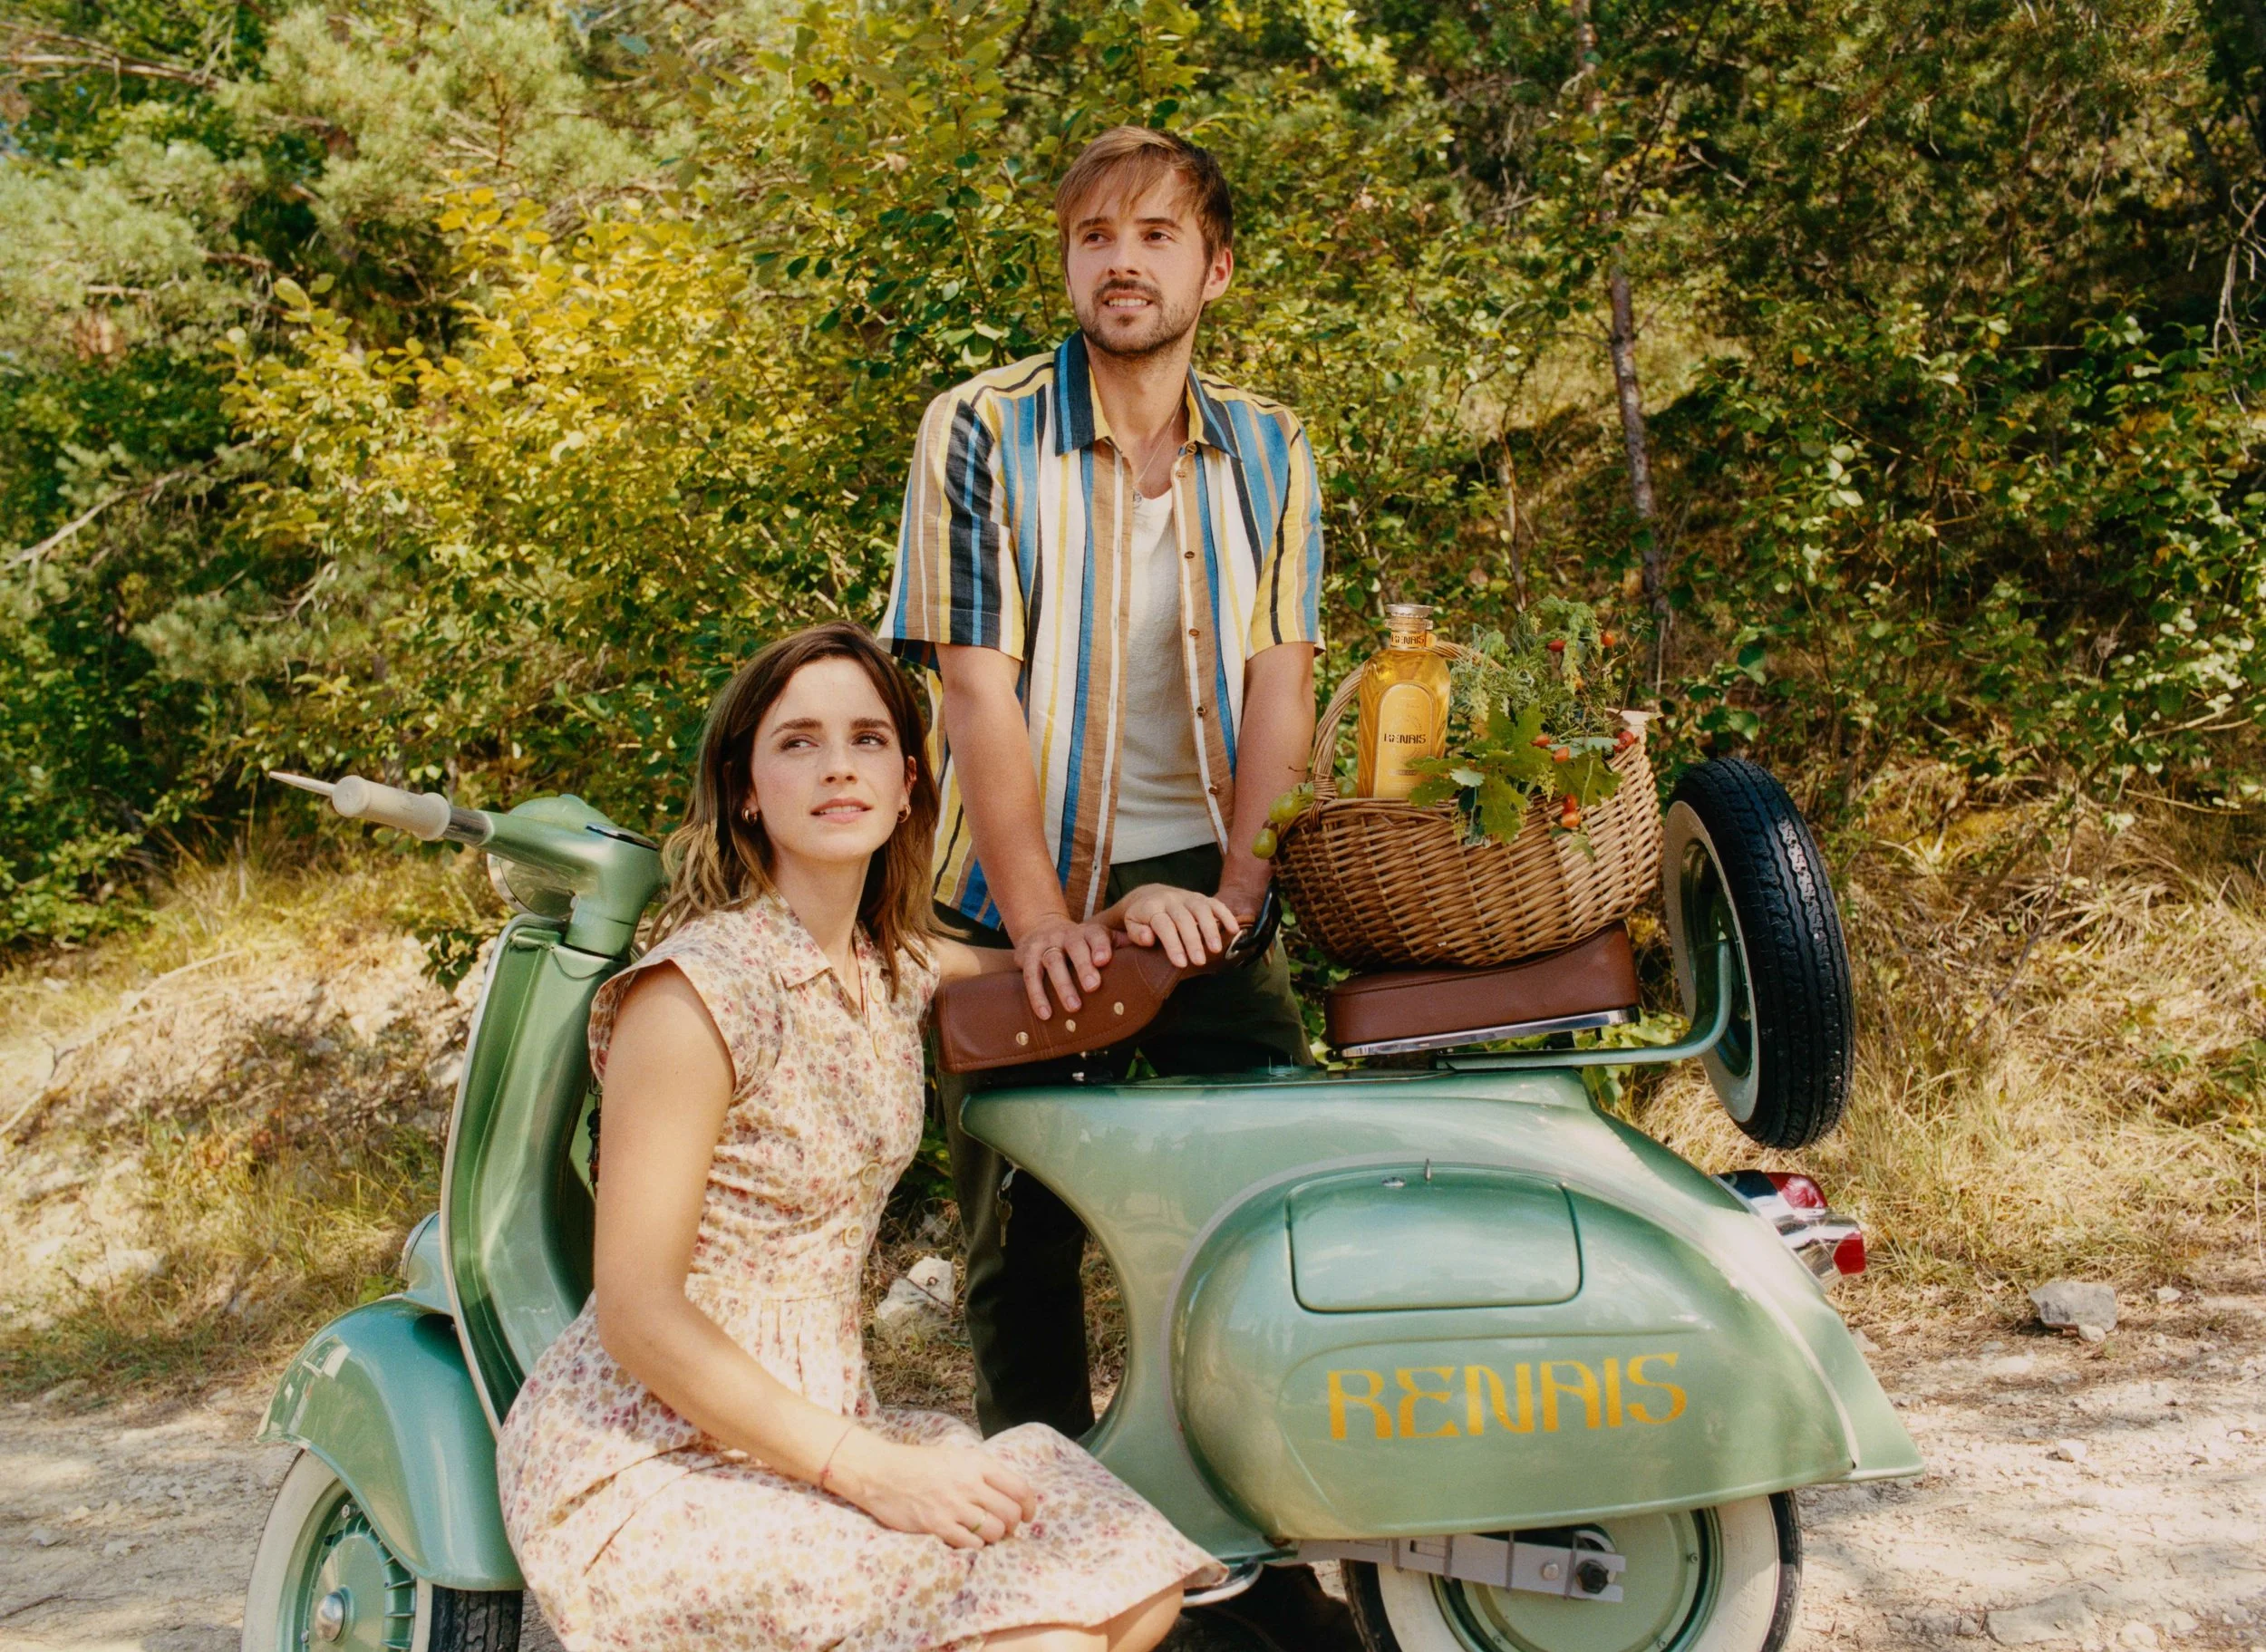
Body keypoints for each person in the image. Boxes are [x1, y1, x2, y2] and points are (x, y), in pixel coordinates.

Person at [496, 622, 1238, 1652]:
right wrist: (869, 1469)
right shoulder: (697, 990)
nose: (837, 764)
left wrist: (1134, 908)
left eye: (868, 739)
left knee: (1128, 1582)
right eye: (797, 741)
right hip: (659, 1448)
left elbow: (1060, 964)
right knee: (1041, 1633)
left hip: (820, 1420)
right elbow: (636, 1311)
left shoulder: (888, 963)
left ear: (904, 789)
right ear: (746, 787)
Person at [881, 128, 1356, 1651]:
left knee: (1261, 1209)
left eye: (1156, 235)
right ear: (1068, 263)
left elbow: (1285, 682)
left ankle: (1264, 1568)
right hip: (1019, 881)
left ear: (1216, 267)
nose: (1123, 261)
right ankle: (1037, 1574)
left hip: (1208, 883)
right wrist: (1044, 931)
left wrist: (1238, 887)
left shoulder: (1276, 449)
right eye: (1095, 236)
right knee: (1023, 1236)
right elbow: (976, 686)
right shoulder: (981, 430)